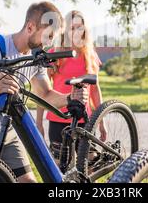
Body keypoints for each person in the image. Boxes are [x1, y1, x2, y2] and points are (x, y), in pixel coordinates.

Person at [0, 2, 89, 183]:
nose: (49, 44)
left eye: (53, 38)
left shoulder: (37, 57)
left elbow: (45, 95)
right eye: (48, 36)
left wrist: (69, 98)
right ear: (30, 27)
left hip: (4, 131)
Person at [36, 10, 105, 160]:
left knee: (89, 165)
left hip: (85, 120)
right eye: (72, 27)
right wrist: (39, 123)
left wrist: (101, 122)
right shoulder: (56, 54)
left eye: (79, 27)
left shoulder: (91, 55)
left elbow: (95, 90)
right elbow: (43, 92)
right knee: (60, 167)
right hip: (58, 118)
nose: (76, 31)